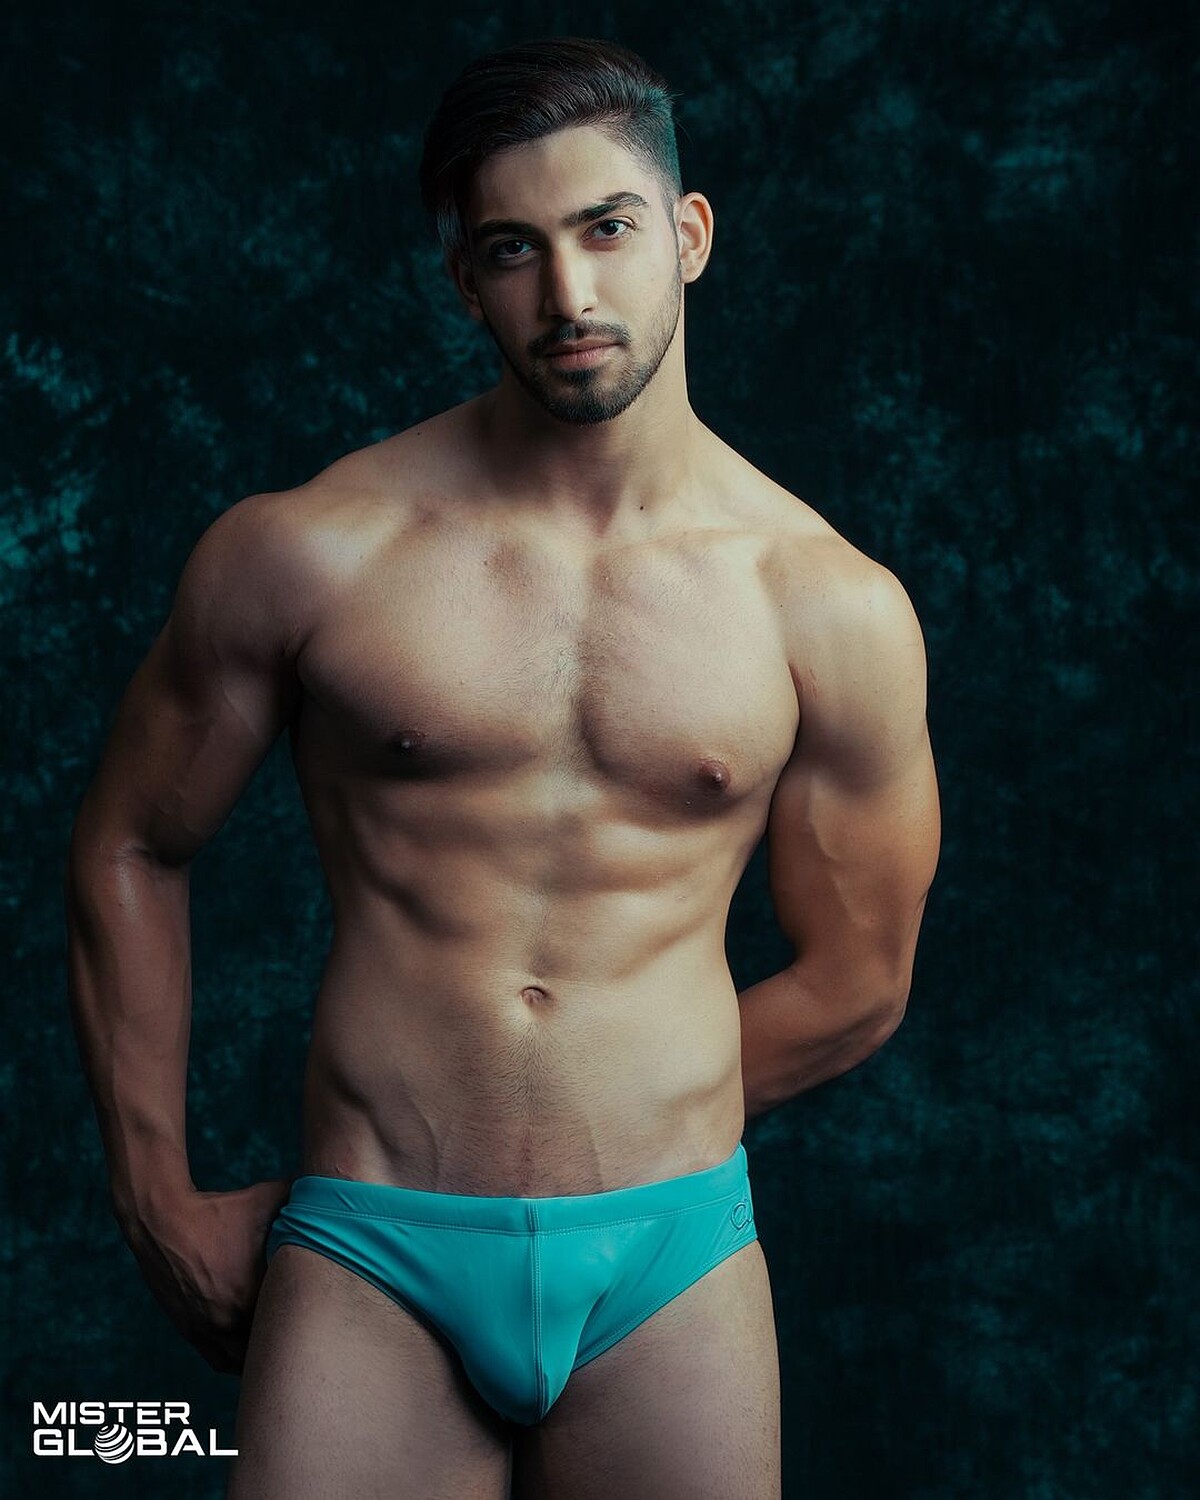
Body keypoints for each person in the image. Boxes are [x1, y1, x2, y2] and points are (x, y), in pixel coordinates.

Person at [65, 35, 940, 1500]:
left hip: (668, 1252)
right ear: (465, 280)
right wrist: (155, 1193)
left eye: (608, 229)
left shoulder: (827, 605)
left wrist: (626, 1098)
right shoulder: (311, 551)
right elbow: (130, 845)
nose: (571, 293)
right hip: (374, 1244)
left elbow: (864, 975)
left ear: (688, 235)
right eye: (515, 249)